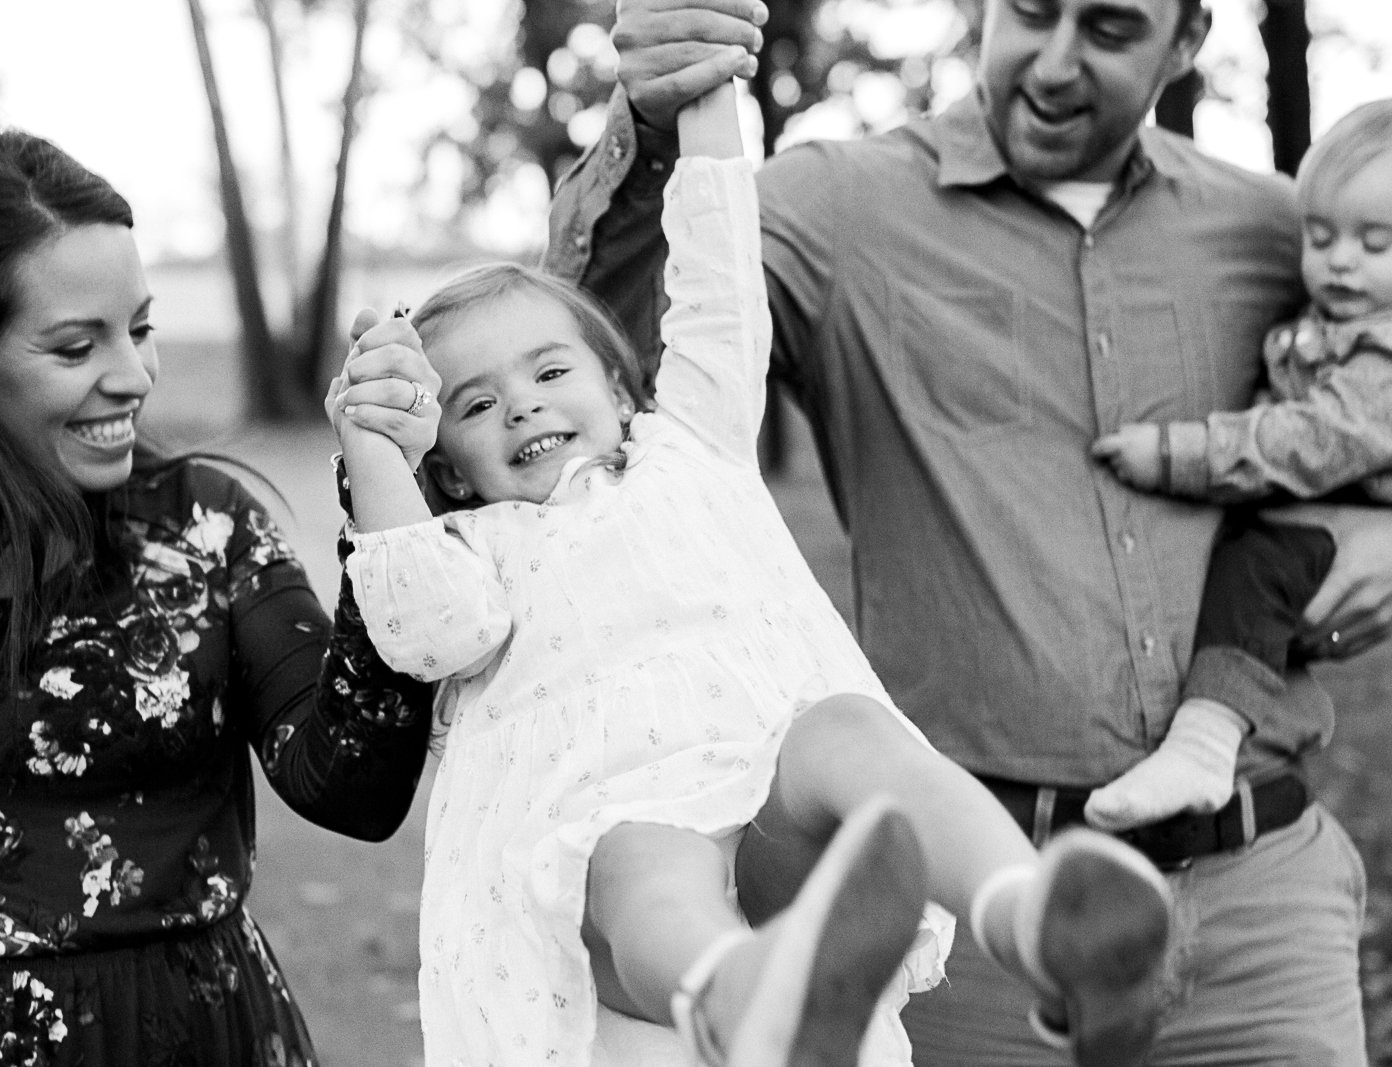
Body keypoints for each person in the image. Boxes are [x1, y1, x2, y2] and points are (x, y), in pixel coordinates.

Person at [544, 0, 1389, 1062]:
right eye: (1030, 13)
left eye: (1112, 29)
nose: (1055, 59)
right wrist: (648, 128)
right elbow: (591, 362)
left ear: (1184, 44)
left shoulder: (1274, 227)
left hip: (1260, 907)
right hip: (970, 927)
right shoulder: (837, 208)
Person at [329, 81, 1174, 1067]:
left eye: (549, 371)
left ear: (616, 383)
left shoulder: (694, 446)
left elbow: (721, 277)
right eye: (476, 404)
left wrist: (705, 96)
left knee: (848, 728)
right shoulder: (473, 551)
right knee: (641, 853)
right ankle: (742, 993)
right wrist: (378, 447)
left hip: (771, 807)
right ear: (447, 463)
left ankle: (1032, 914)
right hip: (609, 882)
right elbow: (421, 625)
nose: (521, 405)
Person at [0, 126, 434, 1065]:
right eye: (74, 345)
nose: (133, 377)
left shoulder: (202, 530)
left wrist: (385, 500)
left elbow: (356, 784)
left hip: (192, 1036)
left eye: (139, 327)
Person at [1086, 99, 1392, 831]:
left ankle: (1203, 744)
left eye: (1375, 242)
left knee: (1254, 574)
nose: (1340, 259)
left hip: (1321, 524)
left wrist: (1177, 454)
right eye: (1319, 237)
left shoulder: (1381, 356)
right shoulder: (1326, 326)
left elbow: (1308, 440)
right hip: (1292, 511)